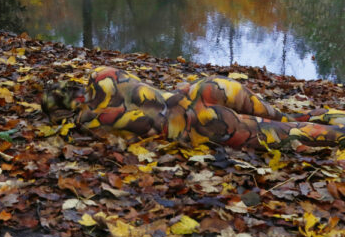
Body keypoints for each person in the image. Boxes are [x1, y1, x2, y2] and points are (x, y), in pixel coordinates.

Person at [41, 66, 345, 149]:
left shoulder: (90, 121)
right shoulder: (101, 74)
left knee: (295, 133)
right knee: (291, 117)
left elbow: (129, 135)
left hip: (199, 123)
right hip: (203, 89)